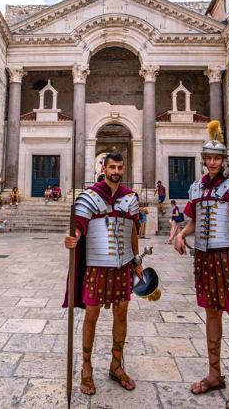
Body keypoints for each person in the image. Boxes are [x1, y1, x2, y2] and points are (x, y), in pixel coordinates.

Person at [174, 121, 229, 409]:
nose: (212, 162)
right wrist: (182, 235)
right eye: (208, 158)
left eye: (217, 158)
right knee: (211, 315)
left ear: (223, 160)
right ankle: (214, 373)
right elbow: (194, 219)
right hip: (205, 258)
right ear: (203, 160)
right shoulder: (196, 187)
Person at [63, 152, 143, 396]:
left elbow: (132, 233)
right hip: (96, 266)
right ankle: (86, 367)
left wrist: (136, 261)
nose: (116, 171)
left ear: (123, 168)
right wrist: (72, 239)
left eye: (119, 167)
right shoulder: (89, 197)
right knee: (92, 315)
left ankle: (116, 365)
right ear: (104, 168)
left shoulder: (130, 198)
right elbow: (78, 227)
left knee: (121, 315)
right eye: (112, 167)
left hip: (122, 266)